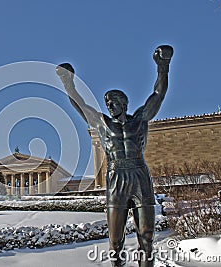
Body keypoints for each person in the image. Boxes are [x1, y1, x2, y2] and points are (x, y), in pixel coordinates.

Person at [56, 45, 173, 267]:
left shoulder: (140, 119)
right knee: (115, 241)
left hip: (139, 175)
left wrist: (163, 67)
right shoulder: (103, 123)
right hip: (116, 176)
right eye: (107, 102)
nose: (109, 105)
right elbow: (81, 105)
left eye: (113, 101)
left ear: (124, 103)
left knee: (147, 238)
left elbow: (158, 94)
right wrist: (67, 82)